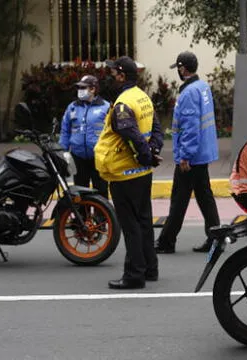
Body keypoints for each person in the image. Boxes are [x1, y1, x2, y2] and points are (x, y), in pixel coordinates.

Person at [94, 56, 164, 290]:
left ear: (122, 75)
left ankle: (134, 275)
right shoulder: (142, 97)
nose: (110, 78)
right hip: (142, 172)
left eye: (113, 74)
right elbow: (156, 128)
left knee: (131, 226)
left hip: (125, 173)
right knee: (144, 221)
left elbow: (130, 134)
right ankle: (150, 268)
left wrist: (146, 155)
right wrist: (153, 153)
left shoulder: (123, 102)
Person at [155, 51, 220, 254]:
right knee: (204, 196)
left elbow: (191, 127)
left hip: (191, 156)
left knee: (179, 199)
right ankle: (216, 238)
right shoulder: (202, 87)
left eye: (179, 68)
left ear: (183, 69)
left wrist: (185, 155)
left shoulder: (189, 92)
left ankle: (166, 241)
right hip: (202, 153)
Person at [59, 75, 110, 198]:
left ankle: (102, 217)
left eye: (83, 87)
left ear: (93, 89)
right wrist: (62, 152)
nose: (79, 91)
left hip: (99, 157)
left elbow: (111, 133)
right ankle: (81, 217)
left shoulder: (106, 107)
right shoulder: (72, 107)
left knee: (101, 191)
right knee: (80, 193)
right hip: (78, 158)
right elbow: (65, 131)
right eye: (78, 88)